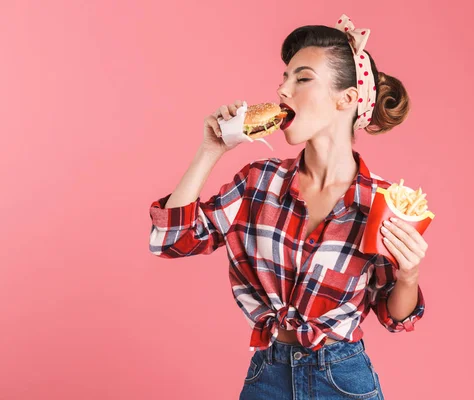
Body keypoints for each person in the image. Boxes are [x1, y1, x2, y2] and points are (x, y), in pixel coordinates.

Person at [148, 14, 429, 400]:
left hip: (343, 379)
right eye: (283, 78)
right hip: (269, 374)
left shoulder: (382, 200)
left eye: (302, 78)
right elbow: (171, 239)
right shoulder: (258, 182)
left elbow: (395, 317)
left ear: (346, 98)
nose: (282, 89)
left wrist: (409, 275)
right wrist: (210, 150)